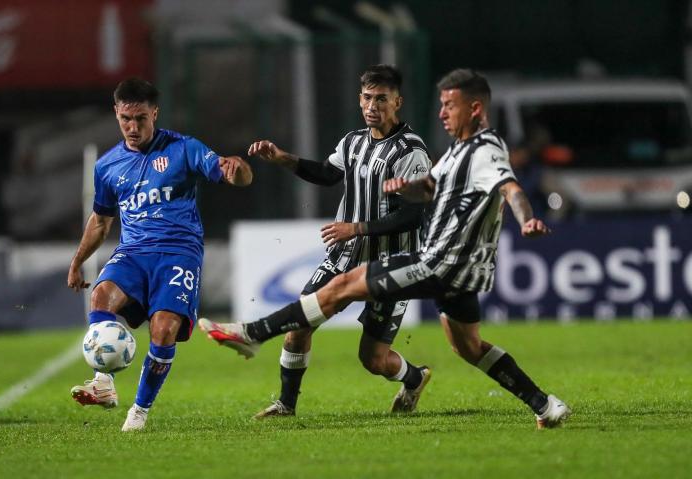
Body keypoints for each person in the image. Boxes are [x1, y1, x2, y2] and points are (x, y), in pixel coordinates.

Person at [205, 69, 571, 428]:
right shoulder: (443, 149)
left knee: (357, 321)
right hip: (416, 262)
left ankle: (252, 334)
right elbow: (419, 188)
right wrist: (286, 159)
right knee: (466, 347)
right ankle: (544, 404)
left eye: (449, 105)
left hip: (419, 259)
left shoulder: (463, 149)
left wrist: (526, 219)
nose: (442, 113)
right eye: (367, 97)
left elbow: (506, 189)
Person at [199, 64, 433, 418]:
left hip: (391, 263)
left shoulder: (410, 151)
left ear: (397, 102)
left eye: (381, 99)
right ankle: (286, 404)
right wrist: (283, 159)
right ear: (359, 99)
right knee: (300, 324)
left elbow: (414, 214)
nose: (373, 106)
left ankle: (414, 378)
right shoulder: (353, 141)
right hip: (344, 257)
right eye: (367, 98)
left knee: (373, 359)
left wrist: (356, 228)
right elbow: (327, 174)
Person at [67, 78, 253, 431]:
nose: (133, 127)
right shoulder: (107, 166)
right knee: (102, 296)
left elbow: (238, 177)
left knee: (164, 329)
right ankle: (103, 384)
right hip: (134, 252)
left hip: (178, 253)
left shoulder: (184, 149)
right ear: (116, 114)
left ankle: (139, 411)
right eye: (126, 119)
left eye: (141, 118)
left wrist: (238, 168)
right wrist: (77, 261)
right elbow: (101, 221)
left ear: (155, 113)